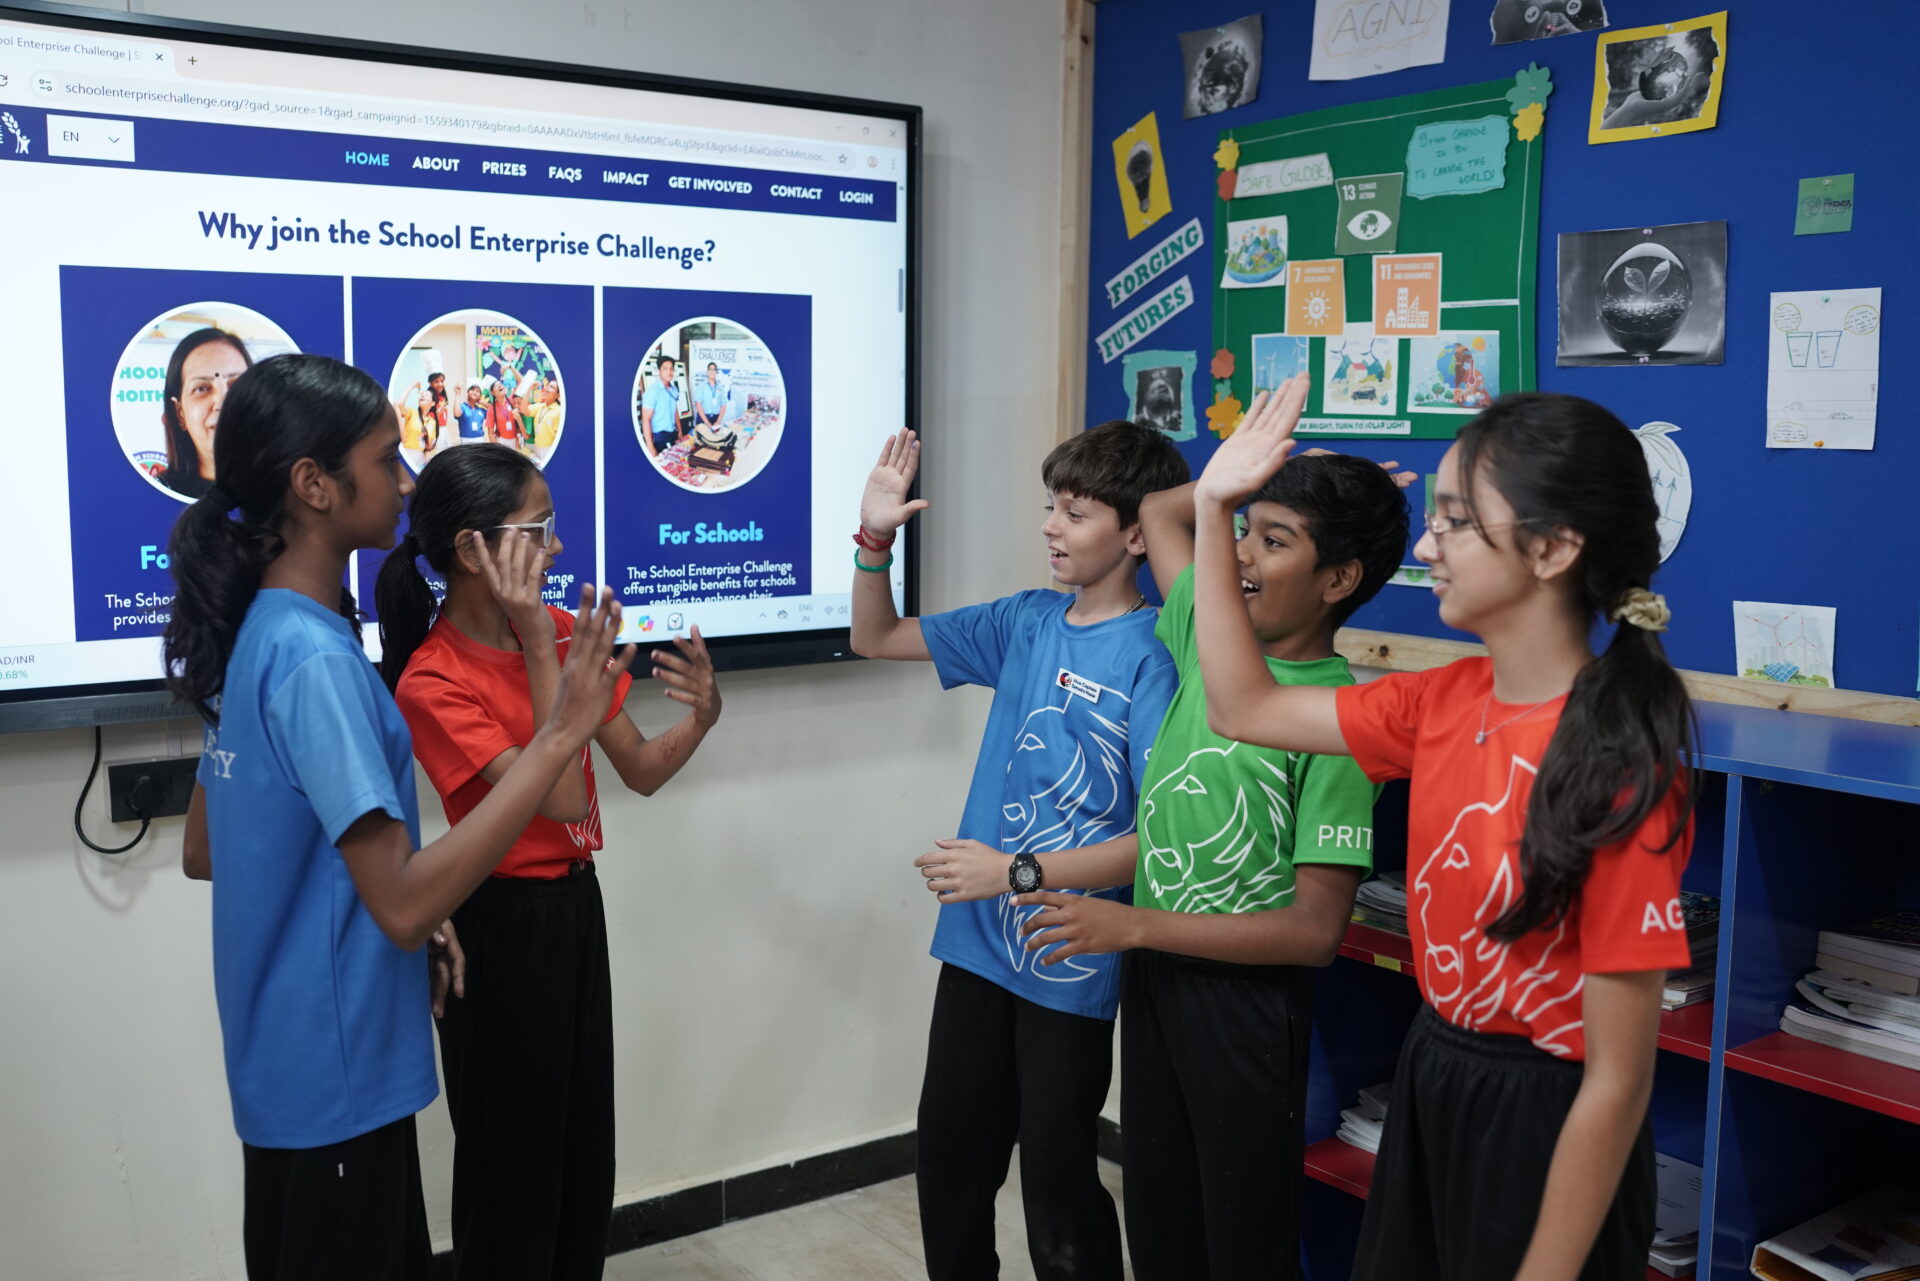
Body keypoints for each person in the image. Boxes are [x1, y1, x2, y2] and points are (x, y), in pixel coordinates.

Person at [1191, 380, 1696, 1281]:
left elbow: (1617, 1081)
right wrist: (1211, 506)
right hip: (1434, 1072)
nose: (1426, 546)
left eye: (1456, 521)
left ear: (1551, 547)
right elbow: (1242, 703)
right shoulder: (1439, 699)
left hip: (1550, 1116)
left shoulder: (1617, 754)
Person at [163, 353, 631, 1281]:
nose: (407, 481)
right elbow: (404, 904)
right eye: (387, 460)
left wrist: (400, 917)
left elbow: (211, 847)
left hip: (282, 1069)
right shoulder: (317, 662)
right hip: (340, 1081)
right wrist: (559, 735)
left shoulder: (263, 630)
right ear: (315, 485)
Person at [919, 454, 1411, 1279]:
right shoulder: (1200, 631)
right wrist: (1271, 468)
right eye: (1242, 531)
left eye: (1275, 541)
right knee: (1161, 1229)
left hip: (1244, 1007)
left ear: (1340, 578)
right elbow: (1157, 509)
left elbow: (1316, 931)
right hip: (1158, 988)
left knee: (1241, 1241)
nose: (1241, 555)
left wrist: (1134, 921)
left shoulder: (1340, 719)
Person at [851, 421, 1188, 1281]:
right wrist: (874, 537)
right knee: (951, 1166)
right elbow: (876, 636)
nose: (1050, 527)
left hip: (1068, 959)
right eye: (1051, 507)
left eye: (1075, 513)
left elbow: (1157, 843)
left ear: (1138, 534)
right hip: (978, 947)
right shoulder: (1026, 620)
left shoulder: (1155, 654)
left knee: (1058, 1184)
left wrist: (1014, 872)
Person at [376, 443, 722, 1280]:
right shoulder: (433, 680)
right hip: (497, 929)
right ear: (472, 550)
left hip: (573, 912)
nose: (559, 547)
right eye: (540, 529)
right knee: (512, 1176)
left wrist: (702, 718)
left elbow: (635, 769)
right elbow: (563, 797)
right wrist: (538, 645)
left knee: (579, 1159)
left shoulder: (566, 632)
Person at [157, 327, 252, 501]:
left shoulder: (288, 490)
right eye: (202, 388)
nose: (222, 403)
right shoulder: (157, 493)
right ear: (180, 414)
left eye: (236, 384)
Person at [640, 355, 683, 455]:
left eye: (671, 369)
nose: (669, 372)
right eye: (665, 369)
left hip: (673, 433)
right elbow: (645, 420)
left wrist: (680, 430)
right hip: (659, 437)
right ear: (659, 371)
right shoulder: (653, 392)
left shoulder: (674, 389)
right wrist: (650, 448)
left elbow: (674, 410)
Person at [691, 361, 728, 433]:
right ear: (707, 372)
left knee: (714, 440)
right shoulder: (701, 386)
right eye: (710, 369)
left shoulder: (720, 387)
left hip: (715, 419)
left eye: (714, 370)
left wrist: (718, 421)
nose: (712, 371)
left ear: (716, 372)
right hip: (703, 418)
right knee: (702, 442)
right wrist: (707, 422)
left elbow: (723, 405)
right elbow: (698, 405)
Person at [489, 381, 523, 453]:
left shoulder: (512, 400)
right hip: (501, 441)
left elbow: (521, 382)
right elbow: (491, 433)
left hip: (516, 441)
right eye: (496, 386)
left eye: (501, 384)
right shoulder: (492, 408)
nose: (499, 386)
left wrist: (510, 368)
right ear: (492, 393)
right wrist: (497, 448)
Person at [534, 380, 563, 457]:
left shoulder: (559, 411)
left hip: (549, 449)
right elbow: (524, 410)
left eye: (552, 387)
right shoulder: (540, 406)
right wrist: (530, 387)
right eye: (548, 386)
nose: (547, 388)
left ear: (557, 395)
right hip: (537, 446)